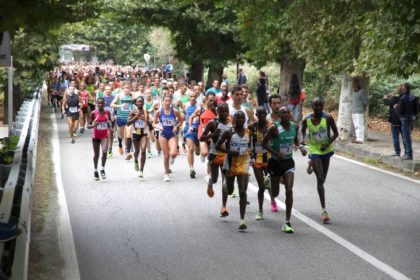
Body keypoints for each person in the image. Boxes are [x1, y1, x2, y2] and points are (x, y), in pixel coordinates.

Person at [263, 106, 307, 233]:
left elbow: (296, 140)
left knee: (289, 189)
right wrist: (276, 154)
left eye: (288, 112)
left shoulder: (294, 127)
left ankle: (287, 221)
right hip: (275, 163)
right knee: (275, 193)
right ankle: (269, 181)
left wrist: (301, 147)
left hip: (288, 162)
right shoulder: (274, 128)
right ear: (280, 115)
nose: (286, 114)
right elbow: (264, 143)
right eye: (283, 113)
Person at [301, 97, 339, 224]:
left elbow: (336, 133)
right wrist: (302, 142)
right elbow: (302, 131)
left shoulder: (327, 118)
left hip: (326, 150)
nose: (318, 108)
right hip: (314, 149)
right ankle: (324, 210)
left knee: (322, 180)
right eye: (316, 106)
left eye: (320, 106)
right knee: (320, 178)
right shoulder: (307, 119)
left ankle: (311, 163)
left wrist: (327, 142)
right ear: (312, 106)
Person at [216, 111, 250, 230]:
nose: (240, 119)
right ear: (234, 119)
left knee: (242, 192)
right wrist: (230, 152)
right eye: (238, 117)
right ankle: (226, 185)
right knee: (230, 191)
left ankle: (242, 220)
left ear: (245, 119)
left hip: (244, 164)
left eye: (242, 117)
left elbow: (252, 145)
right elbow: (218, 146)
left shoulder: (248, 132)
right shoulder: (229, 132)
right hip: (230, 164)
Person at [200, 103, 231, 209]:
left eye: (226, 111)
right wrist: (213, 135)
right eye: (221, 111)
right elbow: (202, 138)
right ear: (217, 112)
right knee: (214, 179)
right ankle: (210, 182)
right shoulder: (212, 123)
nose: (224, 113)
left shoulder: (230, 123)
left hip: (226, 155)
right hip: (214, 155)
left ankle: (224, 206)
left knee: (225, 182)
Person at [153, 94, 183, 182]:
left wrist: (176, 126)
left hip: (172, 134)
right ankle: (166, 173)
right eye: (166, 101)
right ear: (162, 102)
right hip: (163, 134)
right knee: (166, 156)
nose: (167, 102)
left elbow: (181, 121)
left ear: (171, 102)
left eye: (169, 101)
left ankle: (172, 157)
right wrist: (159, 127)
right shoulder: (159, 112)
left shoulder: (175, 111)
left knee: (173, 153)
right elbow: (154, 123)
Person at [249, 107, 270, 220]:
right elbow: (248, 142)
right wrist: (250, 155)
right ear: (256, 114)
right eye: (259, 113)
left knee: (269, 183)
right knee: (261, 187)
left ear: (266, 114)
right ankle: (260, 210)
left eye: (263, 113)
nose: (261, 115)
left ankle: (272, 201)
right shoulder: (252, 127)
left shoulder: (270, 126)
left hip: (269, 158)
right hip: (257, 159)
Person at [87, 97, 112, 180]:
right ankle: (95, 170)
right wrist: (94, 125)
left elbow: (109, 122)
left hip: (104, 135)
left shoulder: (107, 112)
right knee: (96, 155)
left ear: (104, 104)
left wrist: (110, 127)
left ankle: (102, 169)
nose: (100, 105)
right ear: (96, 104)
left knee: (105, 152)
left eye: (102, 103)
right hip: (96, 136)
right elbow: (88, 125)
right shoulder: (93, 113)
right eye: (99, 103)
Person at [127, 96, 151, 178]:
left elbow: (151, 126)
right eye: (138, 102)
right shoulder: (132, 112)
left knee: (143, 151)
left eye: (141, 102)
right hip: (135, 133)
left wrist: (147, 120)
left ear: (143, 103)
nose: (140, 103)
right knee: (137, 151)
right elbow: (128, 123)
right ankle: (136, 160)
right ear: (136, 103)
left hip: (143, 133)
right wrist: (136, 117)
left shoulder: (146, 112)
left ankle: (141, 171)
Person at [111, 83, 135, 159]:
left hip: (129, 118)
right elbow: (112, 104)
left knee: (128, 134)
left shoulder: (132, 95)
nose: (127, 89)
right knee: (121, 135)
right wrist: (120, 106)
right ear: (123, 88)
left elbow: (137, 102)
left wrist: (133, 95)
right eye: (126, 87)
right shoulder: (119, 95)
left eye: (129, 88)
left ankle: (128, 149)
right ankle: (120, 144)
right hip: (120, 117)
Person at [398, 82, 417, 160]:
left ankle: (408, 154)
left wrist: (396, 108)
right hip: (412, 118)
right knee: (407, 136)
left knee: (406, 137)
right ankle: (407, 153)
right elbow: (417, 109)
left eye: (402, 87)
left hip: (405, 119)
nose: (401, 88)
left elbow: (401, 111)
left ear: (404, 88)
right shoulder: (413, 97)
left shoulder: (403, 98)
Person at [383, 85, 404, 157]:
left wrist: (385, 97)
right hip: (404, 120)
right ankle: (407, 153)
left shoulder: (395, 98)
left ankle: (397, 152)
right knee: (405, 138)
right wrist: (392, 96)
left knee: (395, 137)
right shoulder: (406, 98)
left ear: (398, 91)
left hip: (395, 120)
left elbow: (386, 103)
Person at [184, 91, 201, 178]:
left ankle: (198, 148)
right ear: (189, 97)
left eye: (194, 96)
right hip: (189, 129)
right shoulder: (185, 105)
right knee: (190, 149)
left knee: (198, 152)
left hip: (198, 130)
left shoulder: (199, 106)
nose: (193, 98)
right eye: (191, 96)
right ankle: (191, 169)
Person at [351, 79, 368, 144]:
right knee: (356, 125)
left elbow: (365, 101)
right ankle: (357, 138)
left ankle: (361, 139)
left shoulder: (362, 91)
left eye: (354, 84)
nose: (353, 85)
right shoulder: (353, 92)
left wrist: (364, 107)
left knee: (360, 124)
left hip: (359, 111)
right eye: (353, 84)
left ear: (357, 84)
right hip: (353, 111)